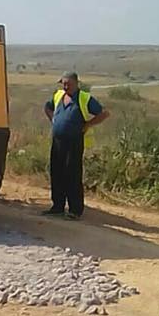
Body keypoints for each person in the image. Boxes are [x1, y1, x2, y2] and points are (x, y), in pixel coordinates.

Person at [42, 72, 109, 219]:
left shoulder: (84, 98)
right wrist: (53, 119)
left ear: (76, 83)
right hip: (58, 140)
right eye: (64, 84)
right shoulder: (58, 95)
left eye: (68, 84)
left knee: (72, 174)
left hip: (74, 141)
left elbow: (103, 113)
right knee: (57, 172)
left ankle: (75, 210)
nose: (65, 87)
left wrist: (88, 125)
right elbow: (47, 107)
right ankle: (58, 206)